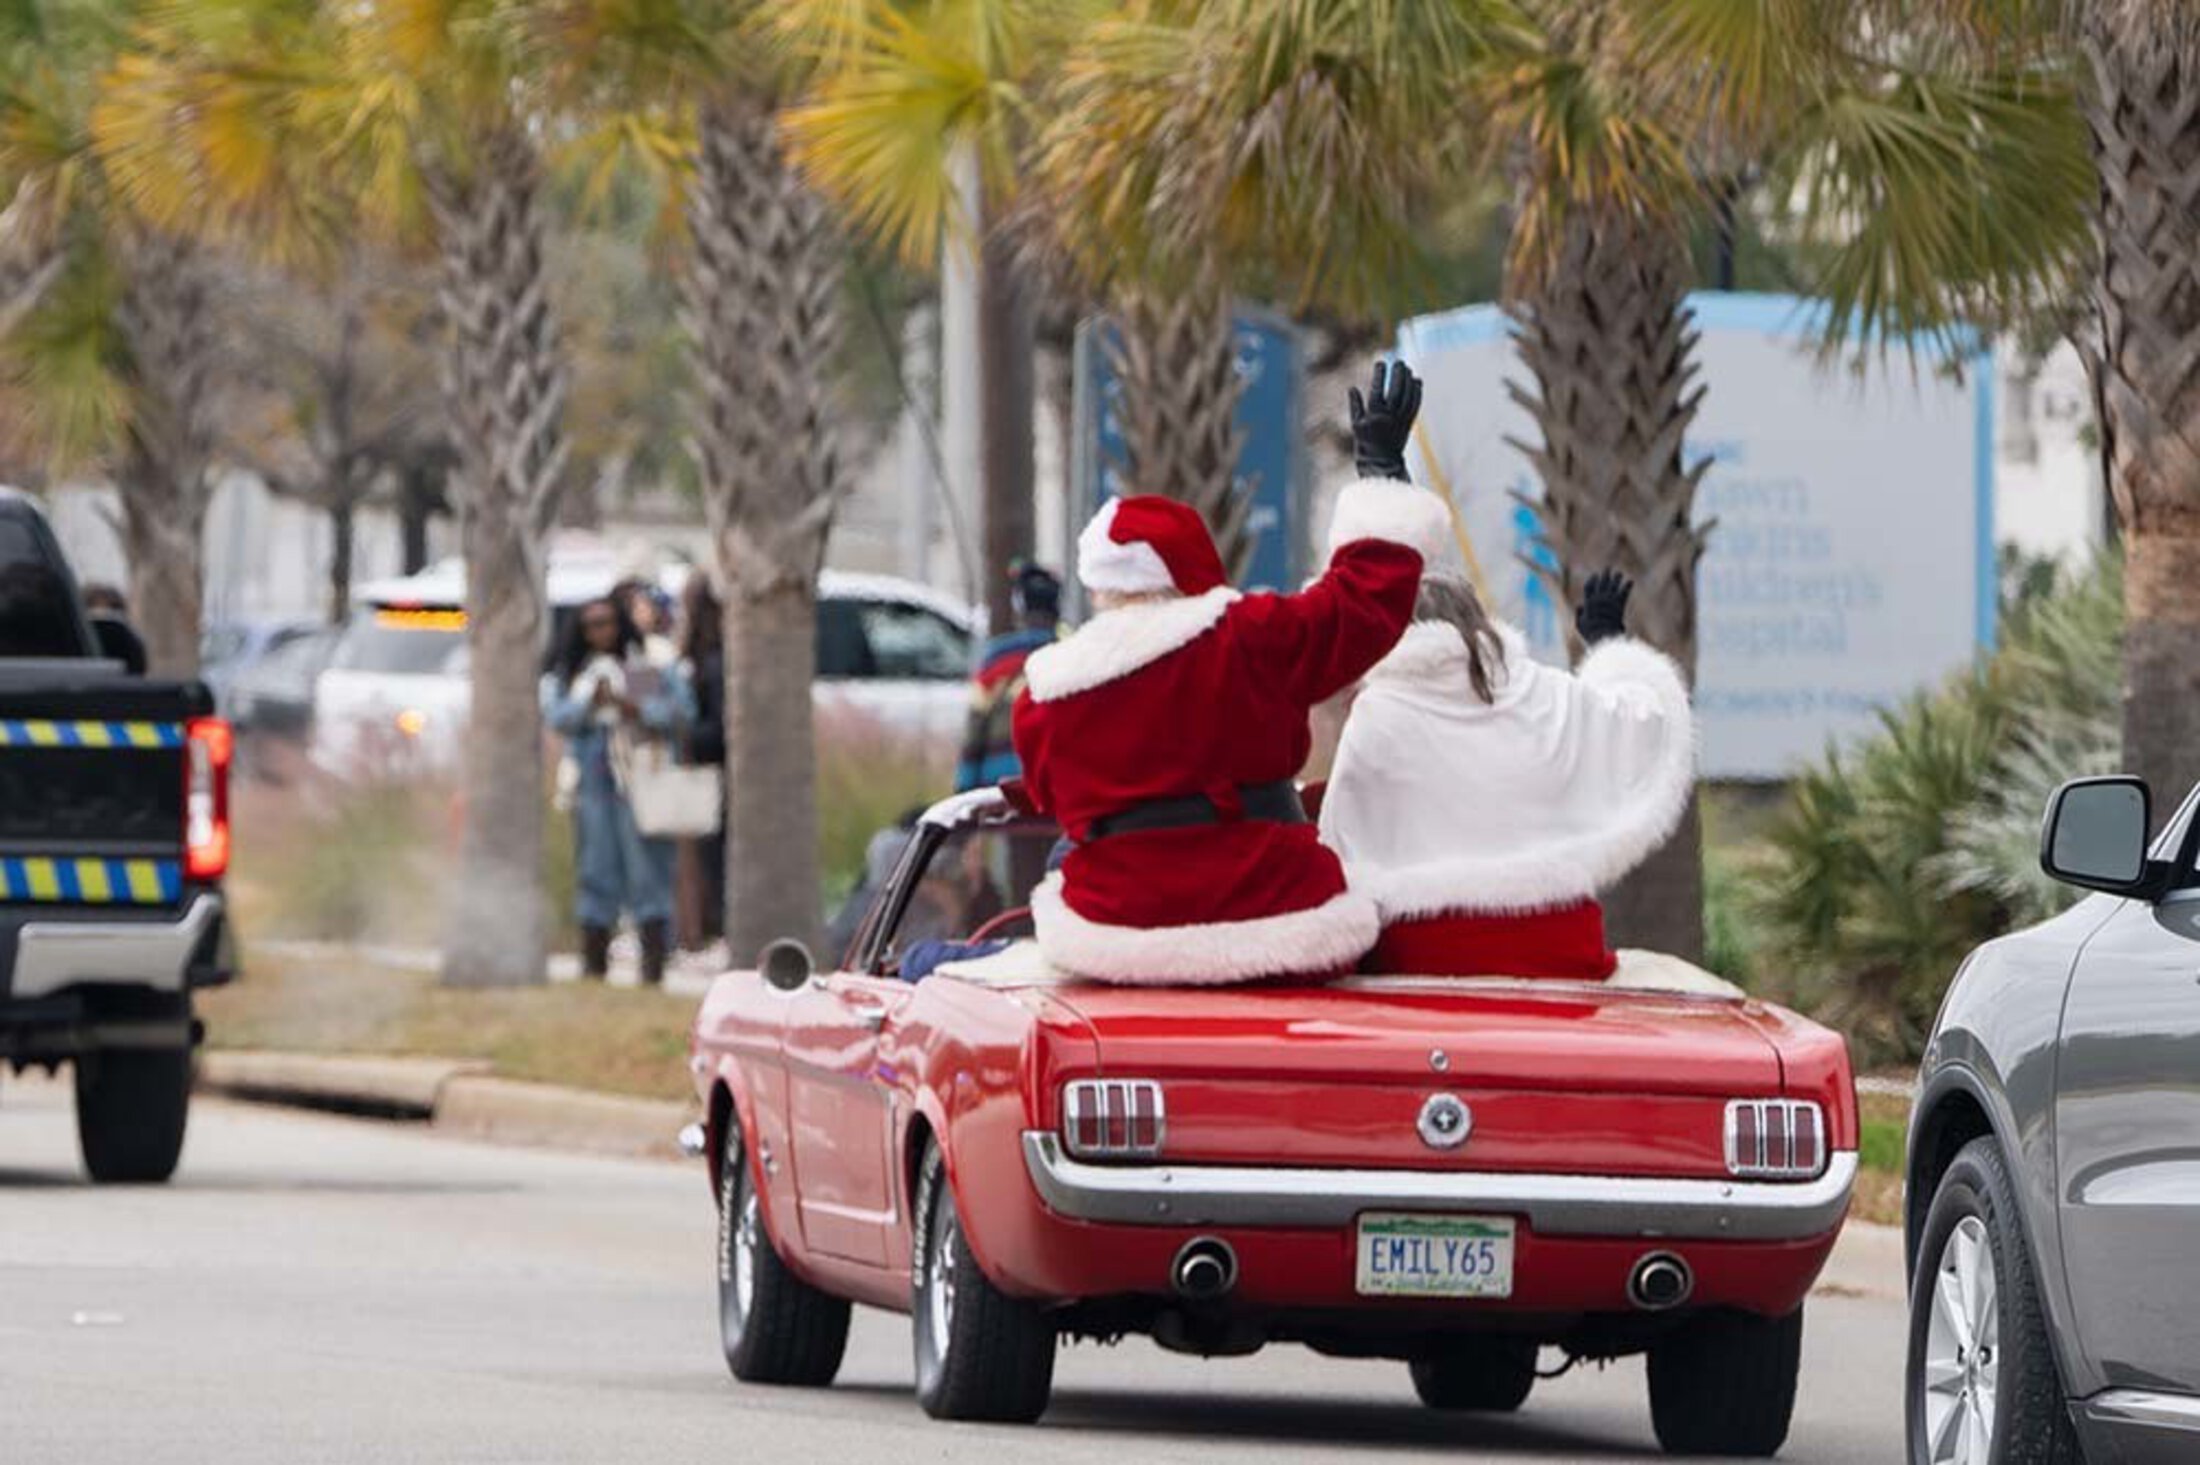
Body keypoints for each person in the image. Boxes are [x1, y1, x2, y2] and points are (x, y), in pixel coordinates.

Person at [1010, 360, 1449, 985]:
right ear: (1196, 572)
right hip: (1274, 913)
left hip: (1112, 931)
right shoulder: (1245, 636)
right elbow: (1359, 608)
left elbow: (1051, 796)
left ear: (1098, 587)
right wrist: (1382, 477)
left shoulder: (1045, 695)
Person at [1318, 561, 1695, 980]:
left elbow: (1336, 849)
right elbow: (1641, 722)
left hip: (1419, 953)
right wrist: (1609, 645)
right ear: (1480, 621)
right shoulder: (1543, 691)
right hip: (1561, 947)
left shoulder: (1377, 713)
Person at [542, 594, 695, 984]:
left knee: (648, 872)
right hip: (593, 783)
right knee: (596, 870)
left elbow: (681, 711)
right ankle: (594, 963)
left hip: (640, 778)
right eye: (592, 625)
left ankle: (653, 965)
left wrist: (635, 708)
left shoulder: (645, 663)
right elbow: (557, 717)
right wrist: (589, 705)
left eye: (607, 622)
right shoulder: (574, 670)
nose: (601, 632)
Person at [955, 561, 1062, 792]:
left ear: (1020, 608)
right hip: (1057, 792)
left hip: (999, 790)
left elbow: (975, 730)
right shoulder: (1074, 658)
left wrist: (964, 788)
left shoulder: (997, 661)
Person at [677, 574, 726, 950]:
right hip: (704, 776)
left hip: (711, 776)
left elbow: (718, 729)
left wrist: (681, 735)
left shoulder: (711, 663)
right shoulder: (699, 660)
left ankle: (711, 926)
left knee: (712, 857)